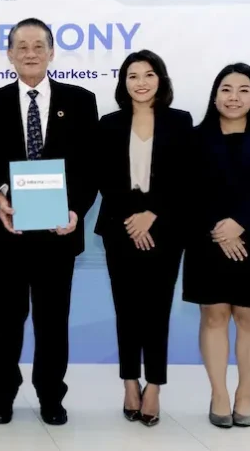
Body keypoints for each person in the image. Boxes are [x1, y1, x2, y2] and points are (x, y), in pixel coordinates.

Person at [0, 18, 98, 426]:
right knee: (5, 321)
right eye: (21, 46)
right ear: (9, 54)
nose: (30, 53)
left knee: (52, 321)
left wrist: (76, 210)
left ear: (51, 52)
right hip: (7, 231)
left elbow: (90, 167)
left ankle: (50, 395)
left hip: (59, 233)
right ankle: (3, 392)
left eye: (38, 46)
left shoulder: (80, 100)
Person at [95, 50, 193, 427]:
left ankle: (154, 385)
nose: (141, 82)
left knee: (157, 309)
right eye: (132, 75)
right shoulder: (109, 123)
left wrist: (153, 214)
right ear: (124, 83)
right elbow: (104, 177)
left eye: (149, 74)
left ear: (160, 80)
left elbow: (185, 177)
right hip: (119, 226)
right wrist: (131, 218)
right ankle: (129, 382)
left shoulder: (180, 121)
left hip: (165, 227)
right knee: (127, 309)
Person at [183, 63, 250, 429]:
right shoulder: (194, 138)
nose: (234, 97)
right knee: (214, 315)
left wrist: (241, 223)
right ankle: (219, 393)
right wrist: (219, 229)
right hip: (207, 240)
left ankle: (245, 395)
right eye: (226, 89)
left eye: (243, 90)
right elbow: (182, 190)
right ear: (215, 95)